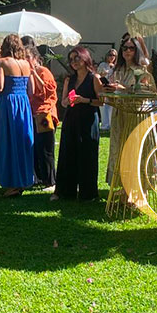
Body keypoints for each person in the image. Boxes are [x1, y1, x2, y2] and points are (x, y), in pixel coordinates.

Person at [54, 46, 104, 201]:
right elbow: (63, 102)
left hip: (88, 120)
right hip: (71, 119)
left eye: (77, 58)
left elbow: (101, 101)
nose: (74, 62)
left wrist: (84, 100)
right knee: (68, 153)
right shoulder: (69, 79)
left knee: (87, 154)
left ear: (85, 58)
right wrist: (68, 101)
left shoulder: (94, 78)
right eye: (71, 59)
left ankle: (87, 193)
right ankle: (65, 191)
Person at [104, 37, 156, 184]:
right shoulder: (118, 69)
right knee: (120, 148)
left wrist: (124, 89)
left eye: (131, 48)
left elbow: (148, 91)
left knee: (136, 149)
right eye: (125, 48)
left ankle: (140, 186)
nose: (127, 51)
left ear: (137, 50)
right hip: (120, 113)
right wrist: (109, 90)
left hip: (137, 114)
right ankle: (123, 186)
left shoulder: (142, 69)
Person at [0, 34, 34, 197]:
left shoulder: (2, 62)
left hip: (8, 103)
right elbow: (32, 90)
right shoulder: (26, 63)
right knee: (22, 141)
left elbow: (0, 87)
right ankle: (23, 180)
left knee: (7, 141)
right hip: (23, 103)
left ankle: (12, 183)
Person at [26, 46, 59, 190]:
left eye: (28, 57)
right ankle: (38, 178)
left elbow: (47, 91)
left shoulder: (43, 71)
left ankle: (50, 181)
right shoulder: (26, 73)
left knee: (46, 148)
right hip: (33, 113)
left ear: (35, 58)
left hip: (45, 114)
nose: (26, 60)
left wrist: (34, 73)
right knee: (35, 147)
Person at [97, 48, 117, 131]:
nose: (112, 57)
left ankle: (111, 125)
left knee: (112, 106)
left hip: (113, 88)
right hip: (104, 86)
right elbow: (98, 75)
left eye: (114, 55)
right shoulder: (103, 65)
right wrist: (104, 74)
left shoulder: (116, 66)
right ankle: (105, 125)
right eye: (110, 55)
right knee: (104, 106)